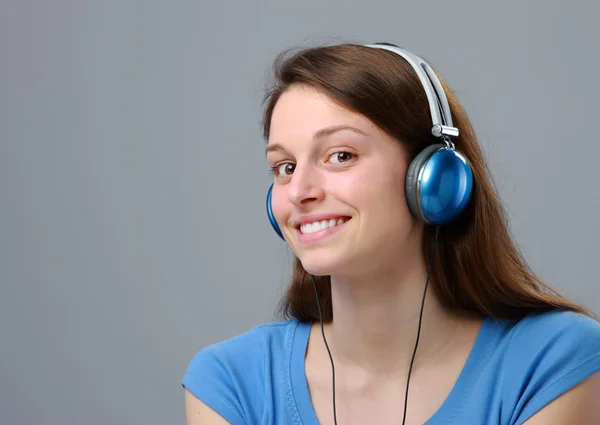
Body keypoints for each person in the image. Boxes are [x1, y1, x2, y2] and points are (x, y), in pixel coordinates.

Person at [181, 42, 600, 425]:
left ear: (435, 180)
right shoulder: (229, 383)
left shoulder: (553, 361)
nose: (300, 192)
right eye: (285, 167)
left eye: (340, 156)